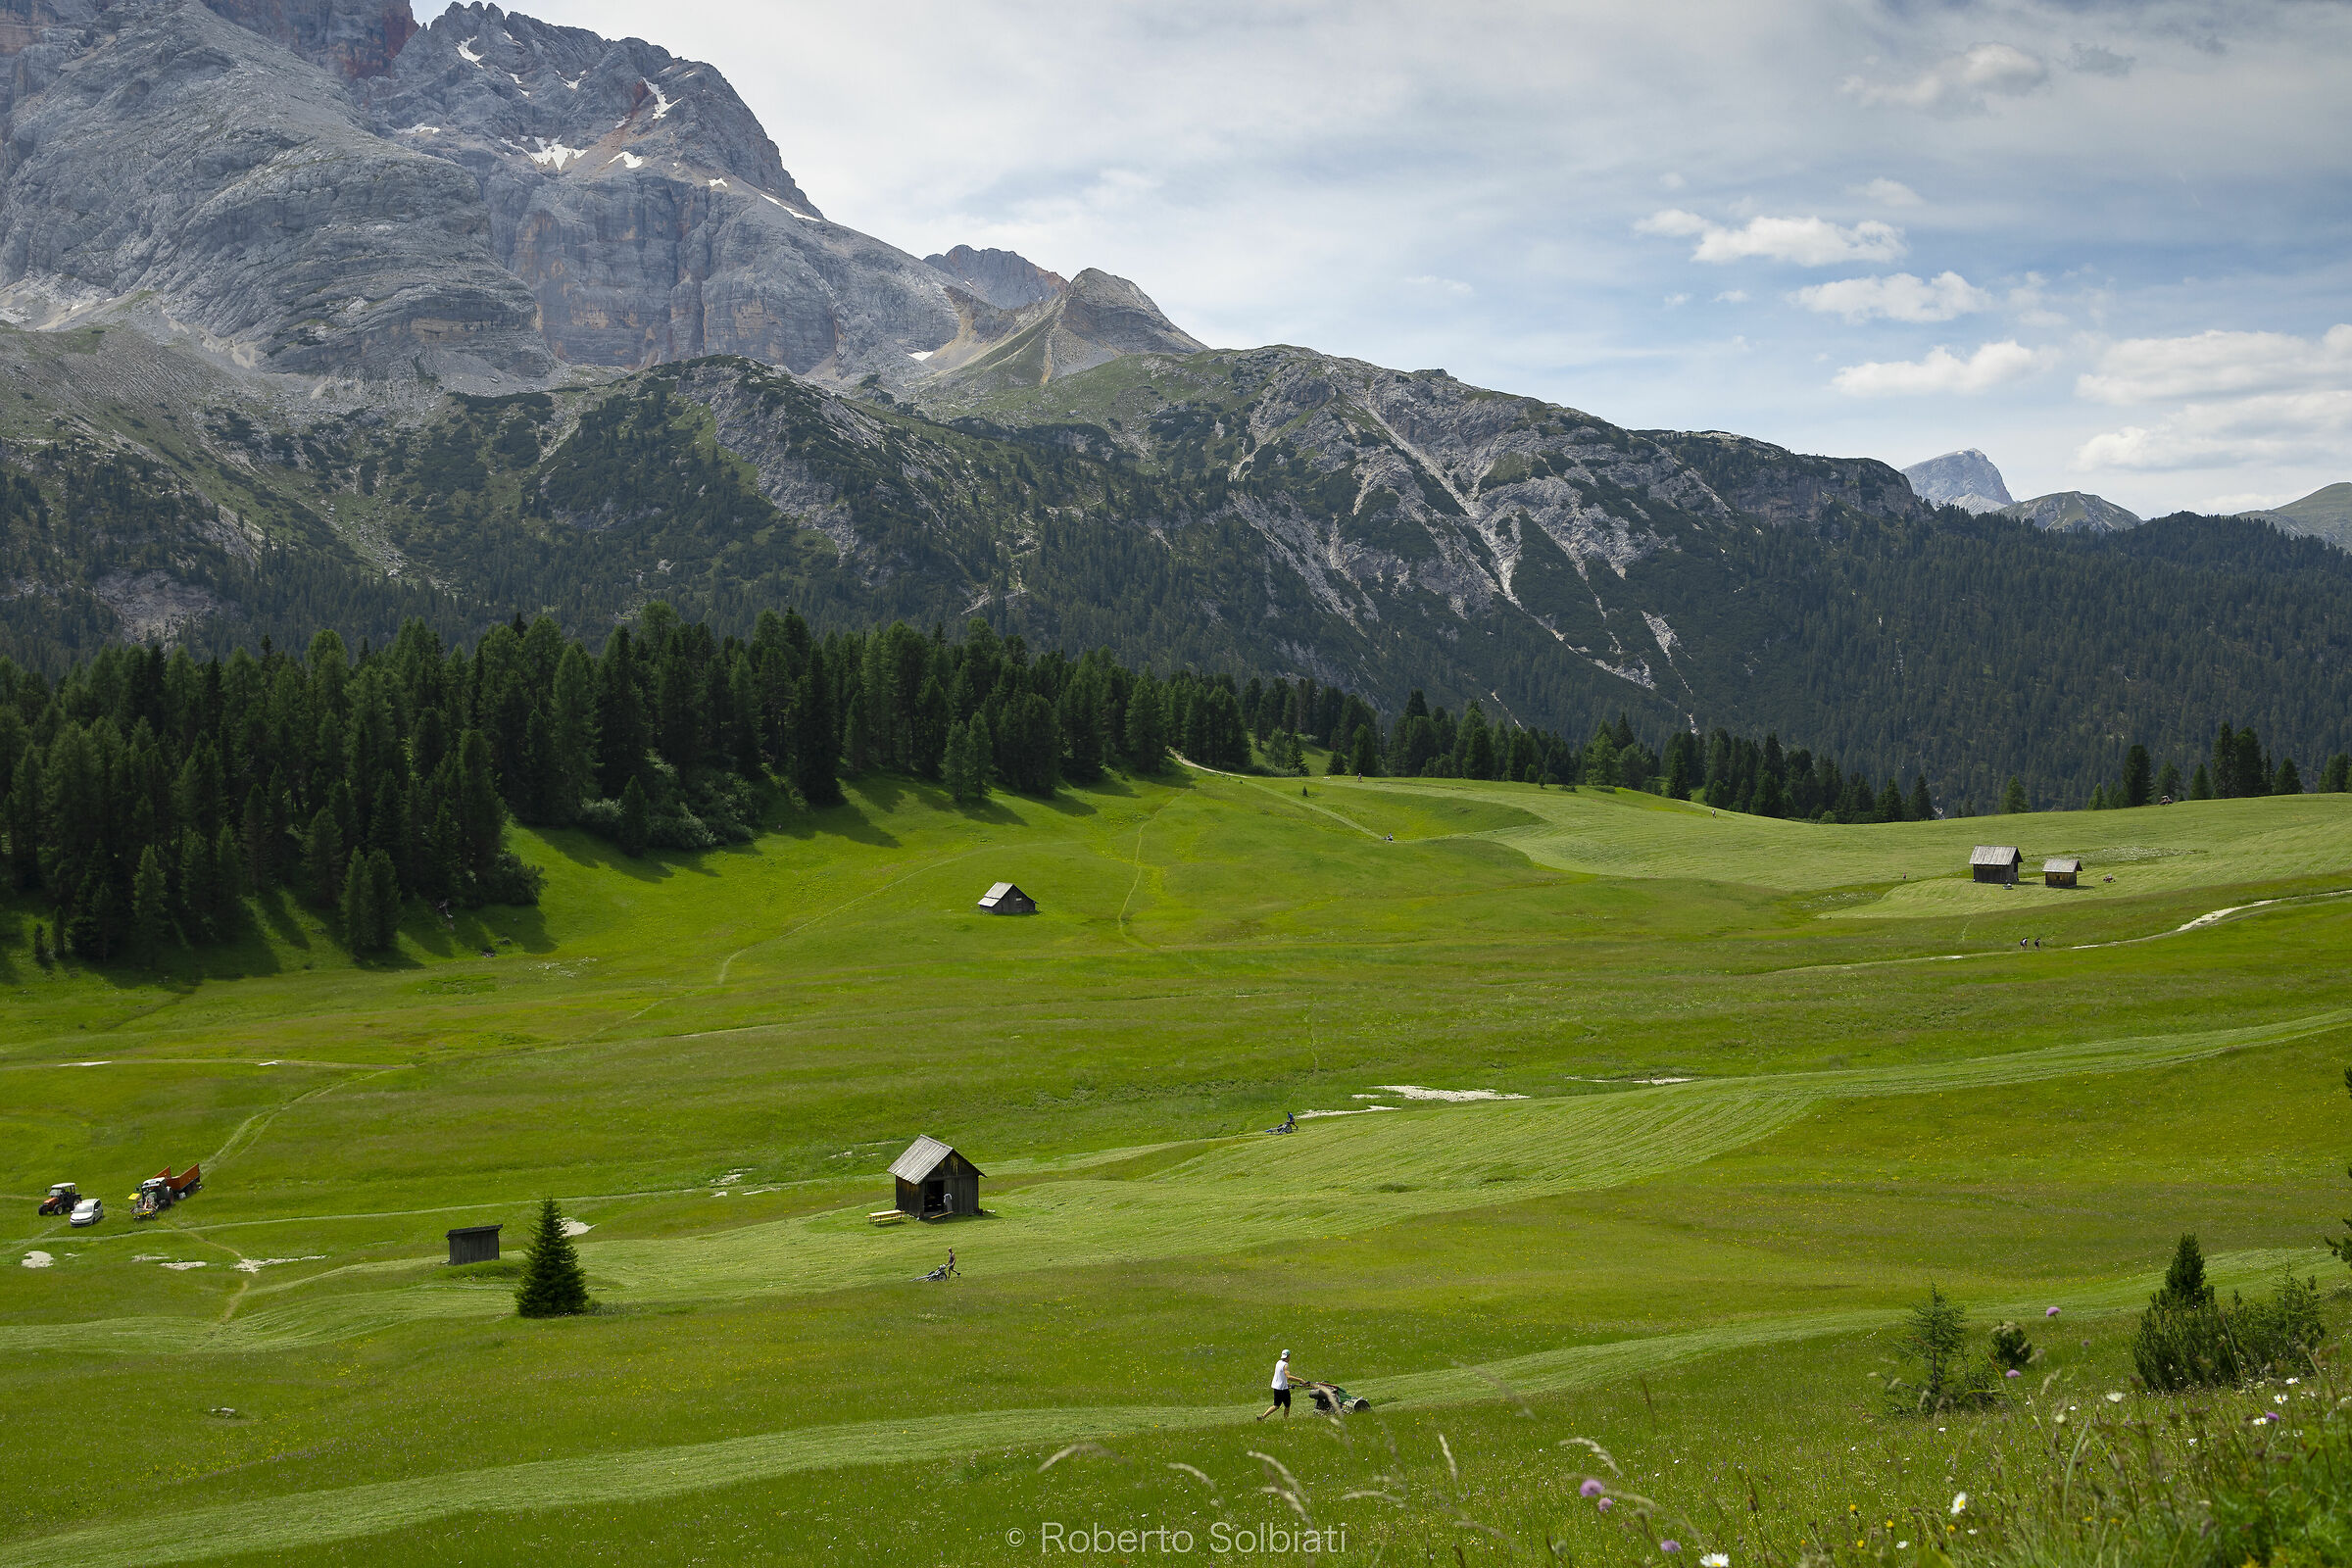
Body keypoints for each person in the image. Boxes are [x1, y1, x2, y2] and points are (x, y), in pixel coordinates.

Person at [1258, 1349, 1298, 1420]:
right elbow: (1289, 1377)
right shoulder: (1285, 1365)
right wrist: (1301, 1380)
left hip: (1276, 1388)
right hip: (1283, 1389)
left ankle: (1263, 1417)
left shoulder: (1278, 1363)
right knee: (1287, 1406)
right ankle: (1286, 1420)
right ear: (1288, 1356)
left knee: (1276, 1405)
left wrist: (1287, 1385)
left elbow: (1280, 1377)